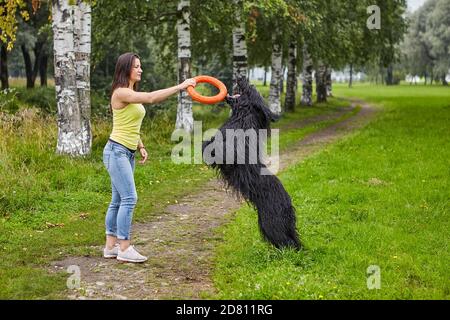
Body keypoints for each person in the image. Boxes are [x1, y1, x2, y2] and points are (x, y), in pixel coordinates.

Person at [102, 52, 196, 263]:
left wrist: (140, 145)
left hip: (126, 151)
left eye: (140, 66)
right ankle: (124, 248)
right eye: (136, 66)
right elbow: (152, 98)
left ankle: (110, 247)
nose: (140, 69)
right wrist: (181, 86)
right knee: (129, 198)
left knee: (118, 200)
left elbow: (128, 123)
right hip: (116, 151)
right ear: (126, 69)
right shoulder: (121, 93)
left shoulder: (129, 93)